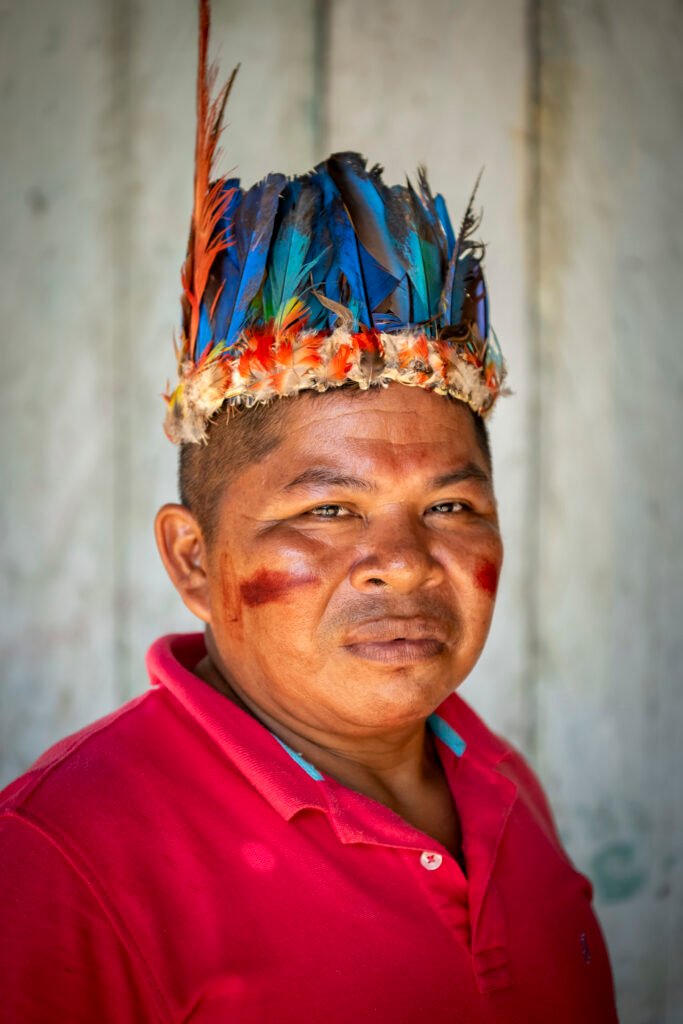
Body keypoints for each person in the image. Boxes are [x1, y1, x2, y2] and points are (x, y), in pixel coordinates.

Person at [0, 2, 619, 1020]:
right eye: (330, 508)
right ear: (191, 560)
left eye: (450, 502)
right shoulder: (61, 866)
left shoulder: (496, 780)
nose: (404, 562)